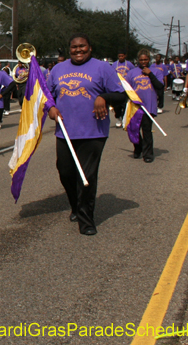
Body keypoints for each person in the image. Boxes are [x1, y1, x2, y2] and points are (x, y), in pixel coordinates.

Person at [46, 34, 126, 236]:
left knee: (86, 175)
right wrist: (50, 108)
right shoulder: (57, 69)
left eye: (82, 46)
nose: (78, 50)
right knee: (65, 172)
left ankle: (86, 219)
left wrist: (103, 97)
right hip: (65, 131)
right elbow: (47, 95)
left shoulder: (103, 68)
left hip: (93, 132)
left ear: (90, 48)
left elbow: (121, 96)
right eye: (74, 47)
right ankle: (75, 205)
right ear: (69, 49)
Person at [126, 50, 164, 163]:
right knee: (134, 129)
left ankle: (148, 153)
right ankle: (138, 148)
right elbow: (127, 88)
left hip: (149, 105)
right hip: (135, 106)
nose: (143, 62)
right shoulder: (132, 73)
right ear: (138, 60)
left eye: (146, 60)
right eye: (141, 60)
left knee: (146, 130)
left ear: (149, 60)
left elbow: (159, 86)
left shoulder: (156, 72)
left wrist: (150, 74)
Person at [112, 51, 134, 128]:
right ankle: (118, 118)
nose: (121, 57)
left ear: (125, 56)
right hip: (117, 88)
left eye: (122, 56)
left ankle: (125, 119)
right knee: (117, 106)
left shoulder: (129, 64)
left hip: (126, 88)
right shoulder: (114, 64)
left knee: (125, 104)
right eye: (119, 56)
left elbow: (133, 74)